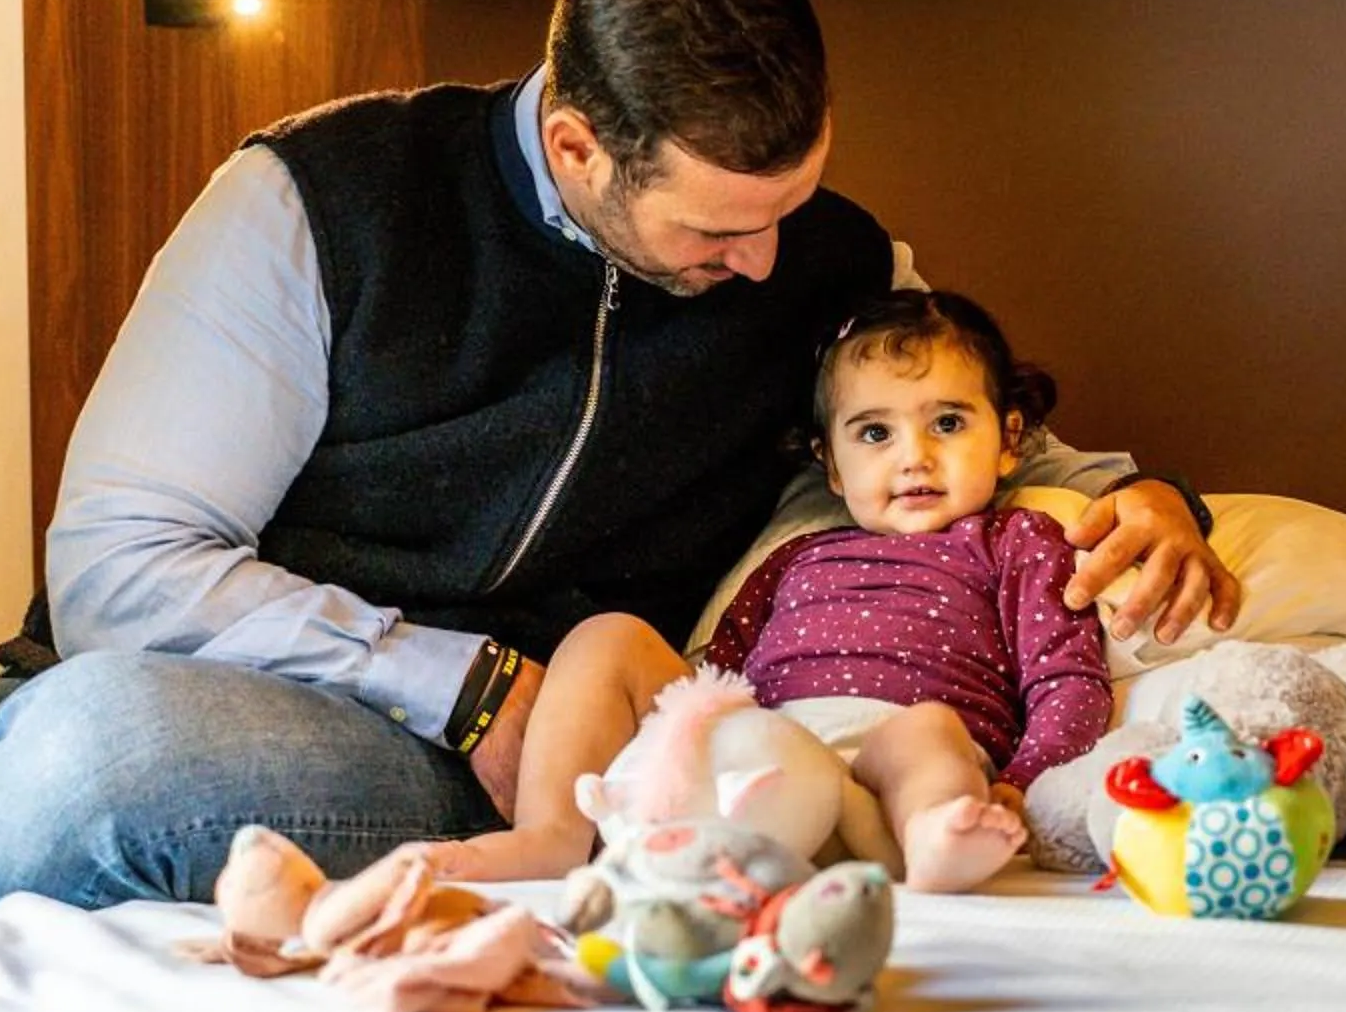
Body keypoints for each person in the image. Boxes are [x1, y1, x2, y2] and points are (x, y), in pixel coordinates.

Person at [0, 0, 1234, 910]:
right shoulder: (324, 201)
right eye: (722, 225)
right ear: (577, 145)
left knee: (82, 764)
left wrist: (1155, 501)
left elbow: (990, 444)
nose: (769, 264)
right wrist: (466, 684)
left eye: (791, 202)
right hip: (309, 691)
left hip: (531, 762)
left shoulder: (835, 262)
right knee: (56, 737)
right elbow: (119, 569)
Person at [432, 288, 1109, 893]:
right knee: (608, 636)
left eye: (949, 424)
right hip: (766, 770)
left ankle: (939, 840)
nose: (914, 457)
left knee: (926, 730)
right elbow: (718, 672)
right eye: (875, 432)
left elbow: (1068, 679)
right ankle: (551, 836)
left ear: (1009, 439)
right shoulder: (797, 556)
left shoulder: (1018, 540)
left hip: (883, 798)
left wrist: (1021, 785)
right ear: (831, 466)